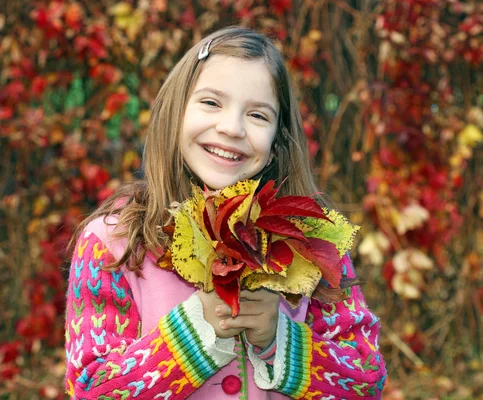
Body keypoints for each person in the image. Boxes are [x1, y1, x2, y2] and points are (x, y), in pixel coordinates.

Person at [64, 26, 387, 399]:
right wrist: (197, 331)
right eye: (211, 103)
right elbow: (90, 390)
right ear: (176, 108)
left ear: (278, 138)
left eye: (257, 115)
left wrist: (280, 340)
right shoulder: (114, 243)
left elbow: (365, 381)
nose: (231, 128)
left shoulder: (310, 240)